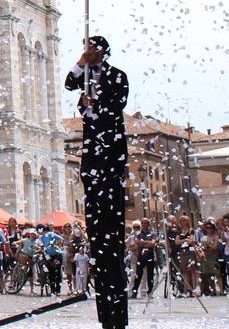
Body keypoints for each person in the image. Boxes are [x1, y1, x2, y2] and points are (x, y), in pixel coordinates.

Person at [65, 35, 128, 329]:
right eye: (85, 47)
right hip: (91, 149)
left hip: (111, 150)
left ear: (103, 50)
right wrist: (81, 64)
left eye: (92, 48)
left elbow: (116, 109)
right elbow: (68, 82)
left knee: (110, 215)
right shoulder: (86, 75)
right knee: (94, 206)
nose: (88, 51)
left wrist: (94, 103)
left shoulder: (117, 76)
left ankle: (116, 311)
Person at [131, 218, 157, 298]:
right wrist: (146, 243)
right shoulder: (138, 233)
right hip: (141, 256)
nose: (144, 225)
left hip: (150, 255)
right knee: (138, 275)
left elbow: (153, 244)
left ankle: (150, 292)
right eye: (142, 223)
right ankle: (134, 292)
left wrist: (143, 243)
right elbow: (137, 242)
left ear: (148, 224)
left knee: (150, 275)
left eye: (145, 223)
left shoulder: (152, 233)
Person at [174, 215, 199, 296]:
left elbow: (191, 241)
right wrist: (185, 240)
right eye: (181, 221)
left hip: (190, 252)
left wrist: (183, 241)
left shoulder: (191, 230)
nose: (182, 222)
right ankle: (186, 289)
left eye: (184, 220)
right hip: (182, 252)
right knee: (184, 271)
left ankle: (194, 288)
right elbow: (176, 242)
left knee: (192, 270)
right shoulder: (179, 231)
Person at [199, 219, 222, 295]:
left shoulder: (216, 237)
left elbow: (215, 246)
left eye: (210, 228)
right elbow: (202, 247)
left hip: (214, 257)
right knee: (208, 274)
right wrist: (206, 247)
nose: (209, 229)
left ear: (213, 228)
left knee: (217, 274)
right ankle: (213, 290)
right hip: (207, 257)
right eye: (207, 228)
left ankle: (221, 290)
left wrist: (207, 247)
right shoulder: (204, 237)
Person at [39, 225, 64, 295]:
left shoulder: (50, 234)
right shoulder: (41, 238)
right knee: (51, 272)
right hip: (48, 255)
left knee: (57, 271)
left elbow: (61, 239)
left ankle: (58, 289)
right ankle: (53, 289)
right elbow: (42, 246)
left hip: (57, 255)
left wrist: (56, 244)